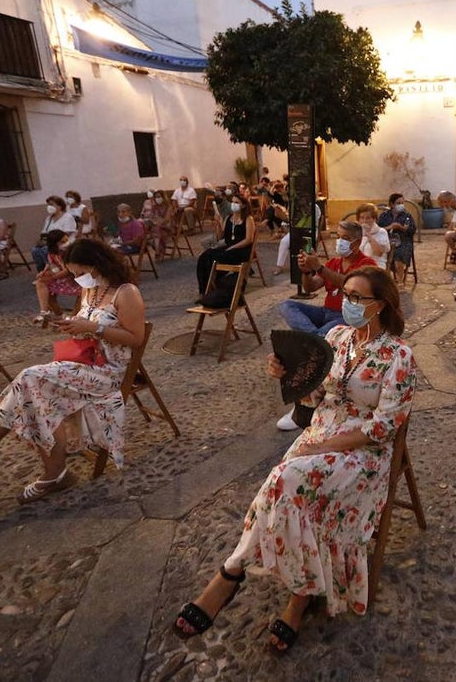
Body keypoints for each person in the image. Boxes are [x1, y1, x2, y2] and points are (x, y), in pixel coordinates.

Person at [174, 266, 416, 651]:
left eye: (357, 298)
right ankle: (294, 592)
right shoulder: (336, 337)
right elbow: (315, 397)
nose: (347, 303)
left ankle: (233, 574)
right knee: (287, 484)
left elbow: (384, 427)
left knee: (286, 480)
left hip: (362, 452)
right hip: (319, 433)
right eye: (346, 295)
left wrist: (322, 447)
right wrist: (287, 376)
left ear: (381, 304)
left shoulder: (398, 355)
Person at [0, 240, 146, 504]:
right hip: (81, 364)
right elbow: (88, 325)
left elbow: (136, 338)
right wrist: (72, 325)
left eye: (80, 271)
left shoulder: (126, 292)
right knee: (37, 395)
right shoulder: (90, 292)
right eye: (72, 272)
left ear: (98, 265)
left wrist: (95, 329)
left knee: (29, 378)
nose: (76, 278)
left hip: (107, 372)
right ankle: (53, 474)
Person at [277, 220, 375, 340]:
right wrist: (306, 271)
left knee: (326, 330)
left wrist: (319, 267)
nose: (340, 241)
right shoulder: (333, 263)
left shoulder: (367, 264)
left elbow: (349, 283)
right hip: (325, 312)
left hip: (345, 316)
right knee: (286, 305)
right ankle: (316, 337)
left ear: (357, 242)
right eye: (338, 237)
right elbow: (311, 287)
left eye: (345, 238)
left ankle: (315, 338)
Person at [195, 192, 255, 298]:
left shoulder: (248, 219)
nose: (233, 204)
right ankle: (204, 290)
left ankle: (211, 286)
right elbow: (220, 236)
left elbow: (249, 239)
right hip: (228, 247)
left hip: (241, 249)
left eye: (237, 202)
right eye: (232, 202)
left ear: (243, 205)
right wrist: (218, 223)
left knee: (214, 258)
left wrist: (234, 247)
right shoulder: (228, 218)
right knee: (204, 257)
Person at [32, 230, 81, 324]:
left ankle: (73, 316)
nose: (67, 243)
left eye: (67, 240)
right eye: (63, 242)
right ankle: (46, 311)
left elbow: (68, 270)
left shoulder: (70, 252)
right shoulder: (53, 254)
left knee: (84, 292)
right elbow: (50, 265)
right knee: (41, 282)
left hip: (73, 279)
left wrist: (53, 277)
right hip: (62, 278)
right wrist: (43, 272)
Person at [378, 193, 416, 284]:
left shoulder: (407, 215)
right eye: (398, 203)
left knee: (398, 255)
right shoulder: (384, 215)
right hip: (387, 241)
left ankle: (400, 281)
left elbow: (412, 230)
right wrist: (390, 227)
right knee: (381, 254)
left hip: (403, 241)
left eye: (402, 203)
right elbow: (378, 229)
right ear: (391, 204)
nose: (401, 205)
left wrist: (401, 228)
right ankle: (387, 280)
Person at [33, 196, 77, 272]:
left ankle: (53, 270)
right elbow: (44, 233)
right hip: (51, 243)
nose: (49, 207)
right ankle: (42, 272)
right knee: (35, 250)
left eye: (51, 204)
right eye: (48, 205)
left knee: (45, 250)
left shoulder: (67, 217)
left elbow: (67, 234)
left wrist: (50, 241)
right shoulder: (49, 219)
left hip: (64, 242)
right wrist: (41, 241)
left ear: (59, 206)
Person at [141, 190, 175, 259]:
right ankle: (158, 251)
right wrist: (155, 221)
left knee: (156, 231)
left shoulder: (169, 207)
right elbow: (151, 217)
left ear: (163, 197)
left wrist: (157, 220)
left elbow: (166, 219)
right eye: (156, 197)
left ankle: (158, 251)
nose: (157, 198)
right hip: (157, 227)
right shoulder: (154, 207)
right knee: (155, 229)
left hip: (167, 227)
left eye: (159, 197)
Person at [356, 203, 390, 269]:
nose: (364, 221)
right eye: (362, 218)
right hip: (360, 265)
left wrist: (369, 235)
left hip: (376, 266)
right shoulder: (357, 232)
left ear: (374, 219)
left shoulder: (381, 232)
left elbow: (379, 253)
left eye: (368, 218)